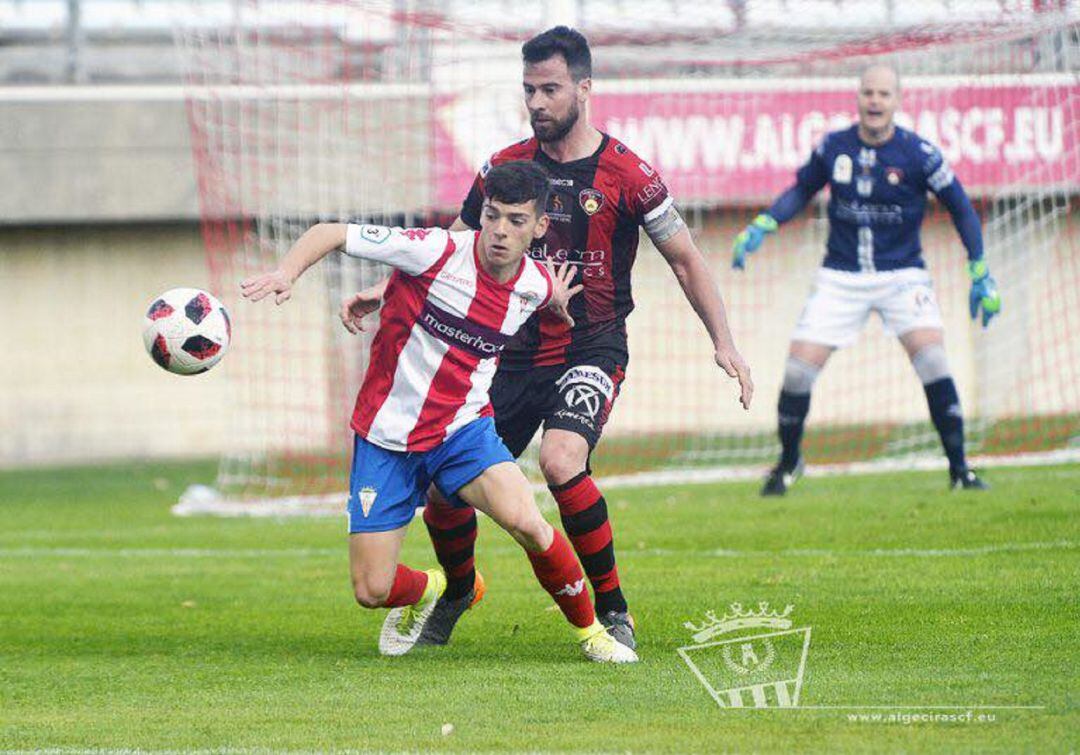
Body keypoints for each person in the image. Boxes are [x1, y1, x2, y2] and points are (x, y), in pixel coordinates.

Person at [348, 26, 752, 653]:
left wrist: (723, 341)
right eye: (529, 89)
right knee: (442, 491)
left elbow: (686, 259)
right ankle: (457, 590)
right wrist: (385, 287)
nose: (537, 102)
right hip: (504, 355)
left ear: (584, 89)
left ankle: (613, 609)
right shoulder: (506, 170)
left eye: (551, 89)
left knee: (562, 461)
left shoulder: (629, 173)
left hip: (590, 347)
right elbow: (454, 242)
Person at [240, 160, 637, 663]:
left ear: (539, 227)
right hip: (385, 438)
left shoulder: (535, 283)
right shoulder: (433, 249)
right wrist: (286, 272)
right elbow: (329, 231)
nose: (499, 230)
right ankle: (443, 587)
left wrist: (557, 299)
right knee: (371, 589)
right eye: (492, 215)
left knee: (530, 525)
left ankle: (593, 634)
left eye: (516, 221)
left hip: (462, 432)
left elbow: (543, 293)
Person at [732, 64, 1001, 496]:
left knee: (933, 361)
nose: (875, 100)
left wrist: (979, 268)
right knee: (798, 372)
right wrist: (763, 224)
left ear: (897, 100)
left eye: (884, 94)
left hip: (903, 276)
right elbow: (801, 190)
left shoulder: (919, 153)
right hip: (841, 276)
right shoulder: (835, 147)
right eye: (868, 93)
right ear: (858, 98)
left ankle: (960, 470)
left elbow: (961, 206)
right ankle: (787, 463)